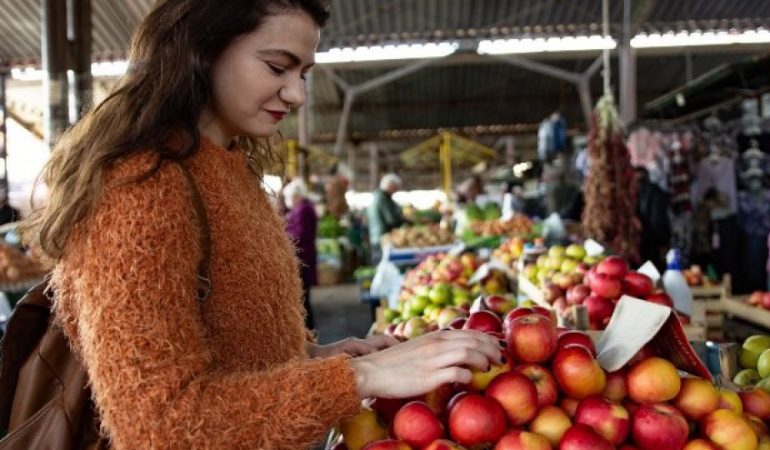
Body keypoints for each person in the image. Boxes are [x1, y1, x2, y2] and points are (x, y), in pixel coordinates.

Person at [23, 1, 502, 448]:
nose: (296, 94)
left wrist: (320, 357)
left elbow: (232, 346)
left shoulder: (227, 168)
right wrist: (361, 378)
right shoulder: (141, 188)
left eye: (304, 73)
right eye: (277, 66)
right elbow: (159, 423)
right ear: (203, 50)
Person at [284, 179, 318, 330]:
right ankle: (307, 330)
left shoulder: (303, 209)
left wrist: (282, 236)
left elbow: (301, 233)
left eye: (289, 197)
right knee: (304, 297)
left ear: (295, 196)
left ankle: (308, 331)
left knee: (303, 297)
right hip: (304, 255)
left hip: (303, 257)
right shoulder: (304, 207)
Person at [635, 167, 671, 269]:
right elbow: (661, 219)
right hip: (654, 241)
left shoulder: (629, 193)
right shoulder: (656, 190)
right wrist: (665, 241)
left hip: (637, 241)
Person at [367, 173, 405, 261]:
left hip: (375, 237)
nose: (396, 190)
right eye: (396, 187)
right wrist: (405, 221)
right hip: (383, 239)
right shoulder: (383, 199)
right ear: (390, 185)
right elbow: (391, 220)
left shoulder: (376, 196)